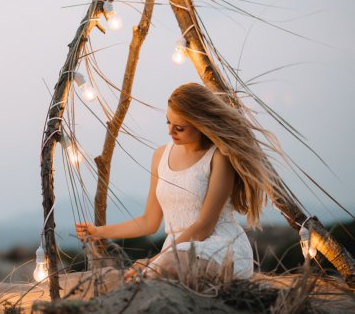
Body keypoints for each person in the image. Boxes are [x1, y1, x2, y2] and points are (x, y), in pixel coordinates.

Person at [76, 82, 282, 281]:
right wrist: (99, 231)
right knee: (155, 270)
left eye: (179, 128)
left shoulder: (219, 157)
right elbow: (150, 221)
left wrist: (154, 261)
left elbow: (204, 226)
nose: (170, 132)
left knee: (164, 267)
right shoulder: (160, 156)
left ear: (200, 124)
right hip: (176, 251)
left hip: (220, 247)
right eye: (168, 122)